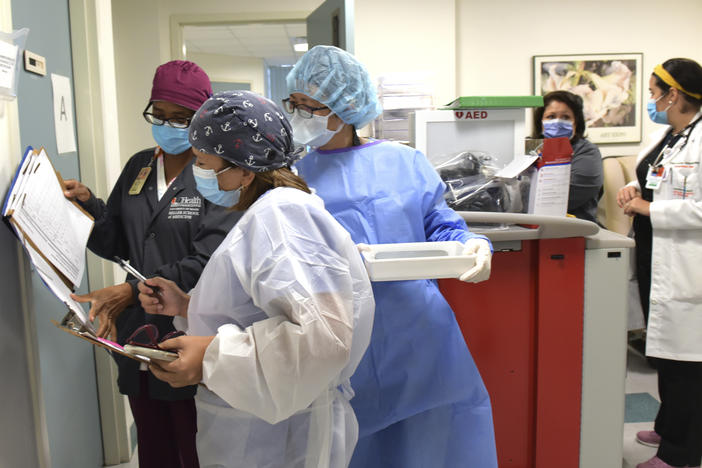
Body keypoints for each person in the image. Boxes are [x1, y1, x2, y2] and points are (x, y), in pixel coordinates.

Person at [136, 90, 375, 468]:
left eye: (202, 161)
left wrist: (211, 356)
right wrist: (187, 306)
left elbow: (325, 337)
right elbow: (263, 308)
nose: (197, 172)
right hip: (265, 427)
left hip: (277, 439)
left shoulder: (280, 218)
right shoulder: (273, 211)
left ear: (245, 169)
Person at [286, 45, 497, 468]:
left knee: (433, 446)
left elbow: (440, 222)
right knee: (349, 448)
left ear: (345, 108)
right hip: (340, 340)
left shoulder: (404, 162)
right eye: (295, 105)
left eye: (311, 106)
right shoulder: (292, 178)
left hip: (418, 336)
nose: (299, 115)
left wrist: (471, 244)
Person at [63, 61, 241, 468]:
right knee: (153, 445)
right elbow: (118, 243)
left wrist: (129, 291)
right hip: (138, 334)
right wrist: (88, 205)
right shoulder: (140, 166)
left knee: (195, 446)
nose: (167, 125)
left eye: (180, 118)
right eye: (158, 115)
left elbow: (210, 257)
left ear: (202, 117)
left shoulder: (217, 174)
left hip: (193, 330)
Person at [616, 58, 702, 468]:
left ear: (674, 94)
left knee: (687, 362)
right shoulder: (667, 135)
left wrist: (650, 209)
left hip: (687, 265)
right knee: (665, 352)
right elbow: (652, 177)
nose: (651, 101)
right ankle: (668, 425)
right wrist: (632, 189)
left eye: (653, 93)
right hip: (656, 257)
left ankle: (681, 453)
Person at [533, 90, 604, 223]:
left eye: (565, 117)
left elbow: (563, 198)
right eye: (551, 116)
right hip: (531, 226)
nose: (557, 122)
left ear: (576, 123)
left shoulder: (587, 152)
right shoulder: (531, 149)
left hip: (576, 229)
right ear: (540, 122)